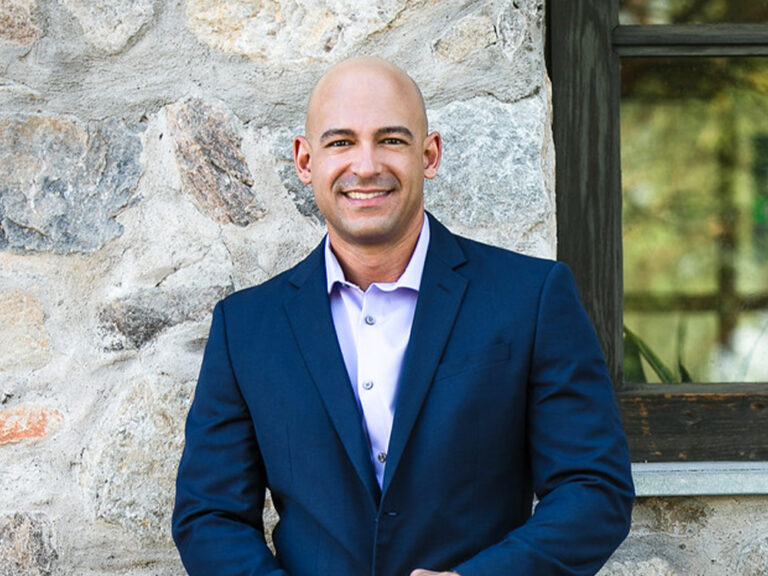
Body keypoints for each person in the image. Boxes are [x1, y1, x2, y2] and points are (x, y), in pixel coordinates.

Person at [172, 56, 634, 576]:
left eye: (390, 140)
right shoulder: (246, 328)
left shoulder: (531, 298)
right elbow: (209, 515)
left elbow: (594, 489)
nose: (365, 165)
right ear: (305, 161)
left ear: (429, 154)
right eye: (340, 142)